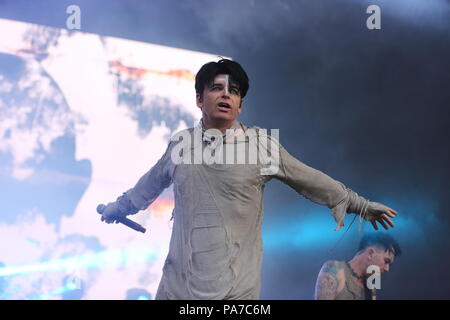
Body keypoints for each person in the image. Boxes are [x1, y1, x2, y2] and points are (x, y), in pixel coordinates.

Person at [100, 58, 398, 300]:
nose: (227, 94)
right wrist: (118, 207)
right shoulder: (181, 145)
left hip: (235, 293)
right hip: (177, 289)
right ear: (199, 99)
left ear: (240, 104)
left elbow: (309, 178)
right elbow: (147, 186)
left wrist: (360, 204)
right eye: (217, 88)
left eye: (235, 91)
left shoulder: (261, 146)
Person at [314, 232, 401, 300]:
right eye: (386, 261)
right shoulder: (334, 268)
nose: (387, 268)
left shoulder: (371, 283)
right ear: (370, 253)